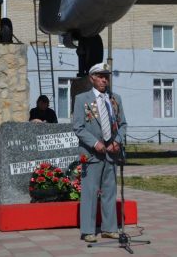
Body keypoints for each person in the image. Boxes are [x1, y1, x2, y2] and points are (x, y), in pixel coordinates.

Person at [72, 62, 127, 243]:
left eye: (107, 77)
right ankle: (88, 230)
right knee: (90, 192)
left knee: (110, 192)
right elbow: (78, 127)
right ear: (92, 78)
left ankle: (109, 228)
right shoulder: (82, 99)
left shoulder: (115, 99)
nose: (105, 80)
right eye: (101, 76)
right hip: (92, 153)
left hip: (111, 153)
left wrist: (117, 141)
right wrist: (95, 143)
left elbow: (123, 124)